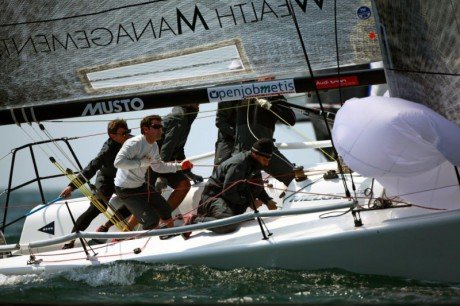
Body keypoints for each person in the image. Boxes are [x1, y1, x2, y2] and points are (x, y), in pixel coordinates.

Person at [59, 119, 133, 249]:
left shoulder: (133, 142)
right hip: (107, 179)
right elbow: (91, 168)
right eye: (123, 133)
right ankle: (70, 241)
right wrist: (72, 186)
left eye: (128, 132)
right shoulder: (107, 150)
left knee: (136, 202)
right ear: (112, 136)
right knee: (98, 207)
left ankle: (106, 226)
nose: (126, 135)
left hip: (124, 179)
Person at [182, 138, 278, 237]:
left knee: (237, 217)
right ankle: (193, 220)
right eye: (264, 160)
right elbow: (228, 192)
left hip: (228, 201)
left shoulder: (255, 163)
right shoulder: (238, 164)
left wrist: (268, 200)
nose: (266, 163)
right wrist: (249, 203)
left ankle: (228, 216)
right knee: (229, 224)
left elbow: (258, 186)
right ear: (255, 154)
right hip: (214, 198)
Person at [114, 115, 193, 230]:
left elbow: (158, 167)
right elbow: (118, 162)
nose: (161, 129)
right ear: (146, 129)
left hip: (141, 186)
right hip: (125, 190)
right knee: (151, 221)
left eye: (161, 126)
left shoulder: (154, 145)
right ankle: (144, 244)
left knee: (165, 209)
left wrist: (180, 166)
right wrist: (142, 162)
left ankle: (171, 233)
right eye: (156, 126)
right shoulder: (134, 143)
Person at [234, 96, 297, 188]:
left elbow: (291, 120)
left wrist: (271, 106)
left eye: (272, 80)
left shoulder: (275, 95)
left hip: (264, 152)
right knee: (234, 186)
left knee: (293, 177)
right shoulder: (240, 92)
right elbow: (222, 120)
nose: (270, 80)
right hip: (242, 151)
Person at [150, 104, 202, 211]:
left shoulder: (186, 118)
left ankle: (163, 219)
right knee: (152, 195)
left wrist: (188, 172)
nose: (198, 107)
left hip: (162, 161)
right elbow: (167, 148)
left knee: (184, 184)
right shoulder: (180, 118)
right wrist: (161, 175)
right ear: (188, 103)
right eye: (197, 103)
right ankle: (154, 222)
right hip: (153, 162)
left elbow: (178, 149)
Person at [213, 101, 237, 171]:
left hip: (242, 142)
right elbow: (220, 122)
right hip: (227, 142)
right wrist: (236, 133)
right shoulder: (228, 96)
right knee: (220, 172)